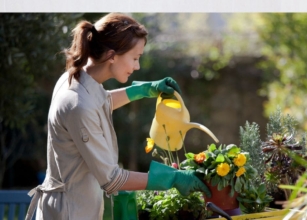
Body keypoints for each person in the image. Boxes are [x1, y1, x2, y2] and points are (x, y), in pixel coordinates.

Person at [25, 13, 211, 220]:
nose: (137, 66)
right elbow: (112, 179)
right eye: (135, 58)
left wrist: (144, 90)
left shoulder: (76, 79)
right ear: (112, 55)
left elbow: (101, 103)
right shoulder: (77, 104)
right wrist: (172, 178)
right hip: (70, 211)